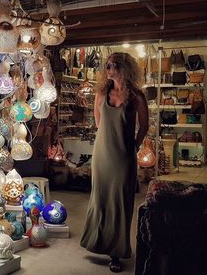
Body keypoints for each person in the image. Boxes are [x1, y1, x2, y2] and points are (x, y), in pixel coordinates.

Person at [80, 52, 149, 273]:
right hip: (102, 156)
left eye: (115, 65)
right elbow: (99, 123)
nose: (109, 69)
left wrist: (134, 146)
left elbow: (145, 126)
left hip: (124, 157)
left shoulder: (137, 96)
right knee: (99, 200)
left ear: (126, 67)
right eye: (107, 65)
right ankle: (97, 243)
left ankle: (117, 253)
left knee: (120, 203)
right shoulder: (102, 93)